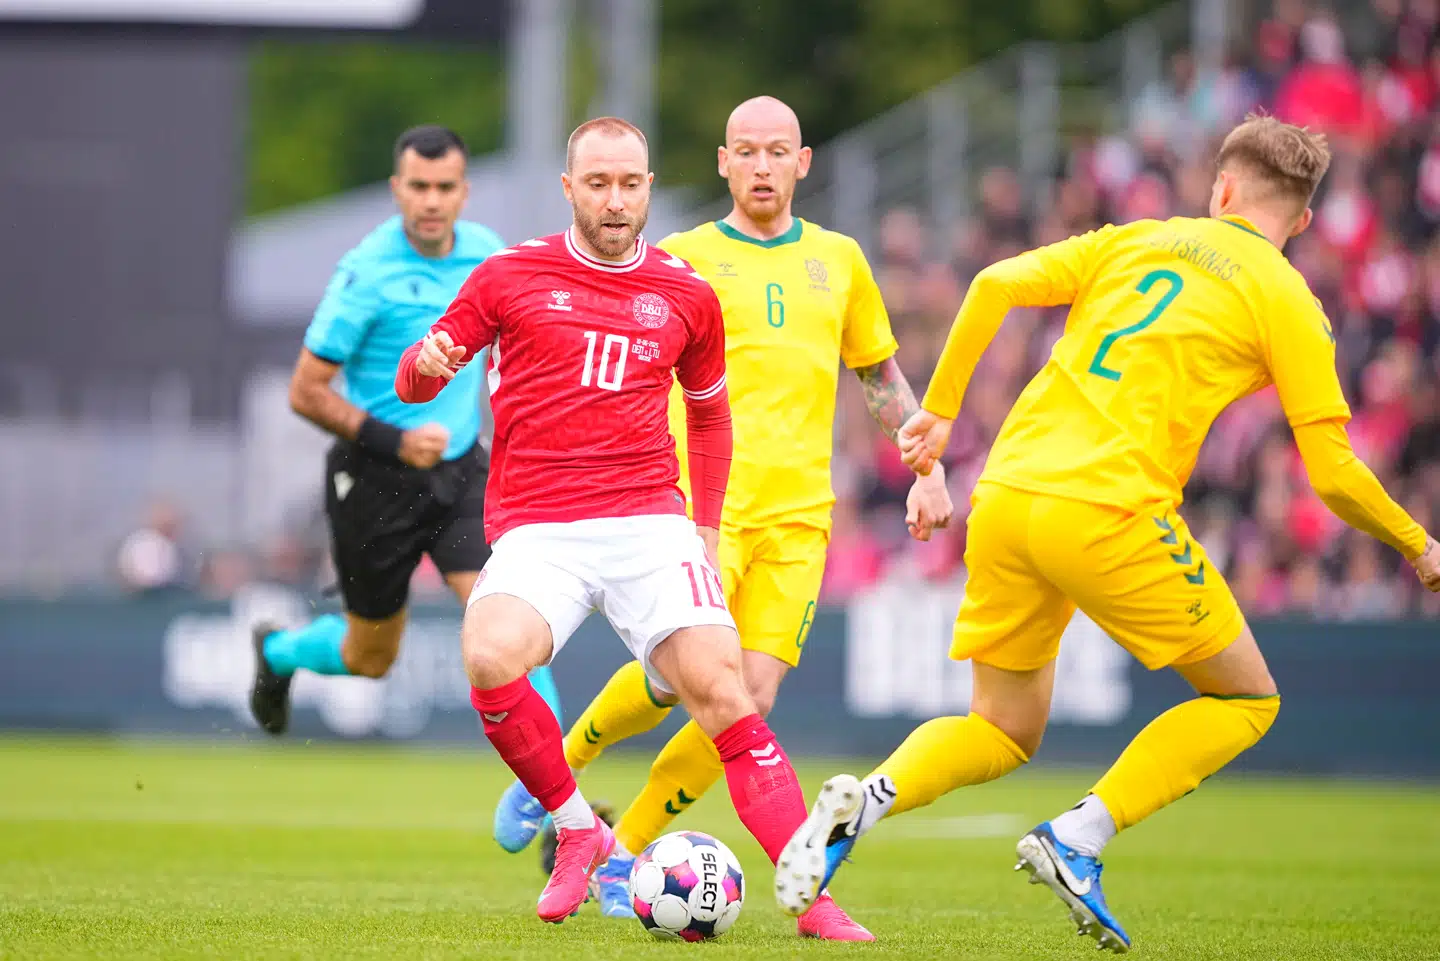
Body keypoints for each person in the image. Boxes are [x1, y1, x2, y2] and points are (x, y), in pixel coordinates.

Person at [772, 113, 1440, 952]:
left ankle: (865, 800)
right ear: (1302, 222)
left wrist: (938, 414)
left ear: (1221, 189)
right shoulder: (1287, 297)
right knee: (1247, 697)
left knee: (1001, 727)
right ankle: (1078, 837)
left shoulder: (1139, 238)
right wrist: (1418, 544)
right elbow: (1335, 472)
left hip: (1009, 492)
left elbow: (990, 287)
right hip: (1108, 509)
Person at [489, 96, 953, 937]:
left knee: (750, 697)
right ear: (723, 162)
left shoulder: (840, 260)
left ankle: (620, 844)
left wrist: (926, 468)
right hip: (701, 511)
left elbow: (879, 376)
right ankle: (562, 766)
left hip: (800, 516)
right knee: (687, 683)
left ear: (804, 162)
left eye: (780, 152)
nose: (765, 166)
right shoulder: (683, 259)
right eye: (749, 152)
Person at [394, 116, 868, 933]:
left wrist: (708, 530)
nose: (616, 201)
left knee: (727, 691)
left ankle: (813, 901)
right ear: (570, 188)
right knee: (488, 654)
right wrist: (424, 365)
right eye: (600, 183)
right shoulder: (510, 275)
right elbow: (414, 378)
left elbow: (711, 419)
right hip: (540, 527)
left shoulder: (685, 292)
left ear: (650, 187)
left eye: (631, 183)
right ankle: (580, 828)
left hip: (651, 522)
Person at [248, 125, 562, 736]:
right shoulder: (367, 273)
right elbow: (304, 391)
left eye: (444, 187)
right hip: (374, 479)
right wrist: (396, 440)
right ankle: (278, 653)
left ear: (464, 193)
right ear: (397, 189)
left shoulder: (489, 256)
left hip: (462, 473)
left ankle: (557, 812)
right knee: (371, 656)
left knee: (512, 622)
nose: (431, 201)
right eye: (418, 187)